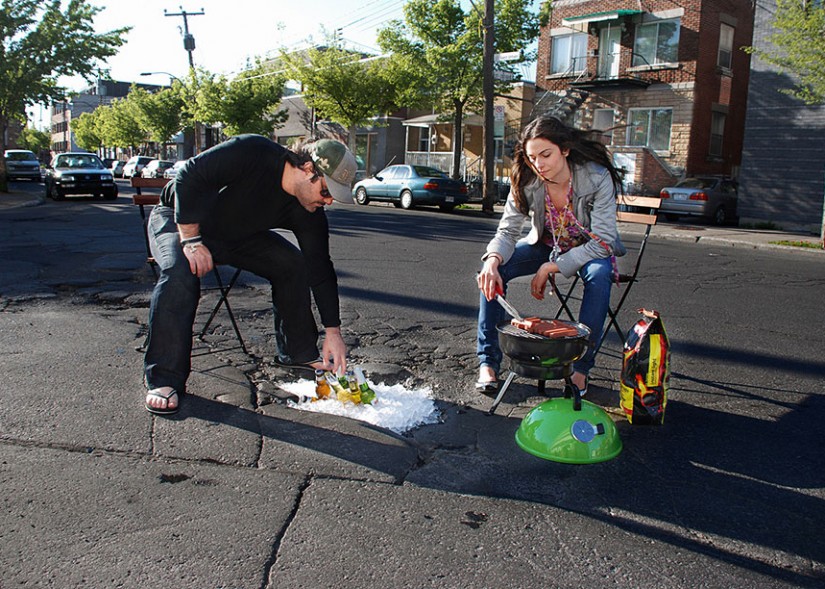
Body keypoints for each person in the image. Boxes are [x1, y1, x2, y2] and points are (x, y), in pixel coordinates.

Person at [143, 134, 358, 415]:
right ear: (308, 169)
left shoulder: (309, 212)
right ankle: (163, 379)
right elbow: (188, 176)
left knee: (292, 264)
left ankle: (297, 354)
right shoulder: (253, 151)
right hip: (180, 221)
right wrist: (191, 240)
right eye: (326, 192)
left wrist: (333, 331)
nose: (328, 201)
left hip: (234, 236)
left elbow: (321, 268)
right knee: (180, 272)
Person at [475, 116, 625, 395]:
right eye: (532, 157)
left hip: (588, 250)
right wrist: (492, 260)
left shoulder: (596, 177)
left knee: (600, 274)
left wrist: (550, 267)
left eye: (546, 155)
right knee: (491, 272)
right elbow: (507, 232)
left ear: (564, 149)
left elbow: (603, 242)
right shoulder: (526, 179)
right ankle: (488, 362)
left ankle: (580, 369)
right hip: (546, 245)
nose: (539, 164)